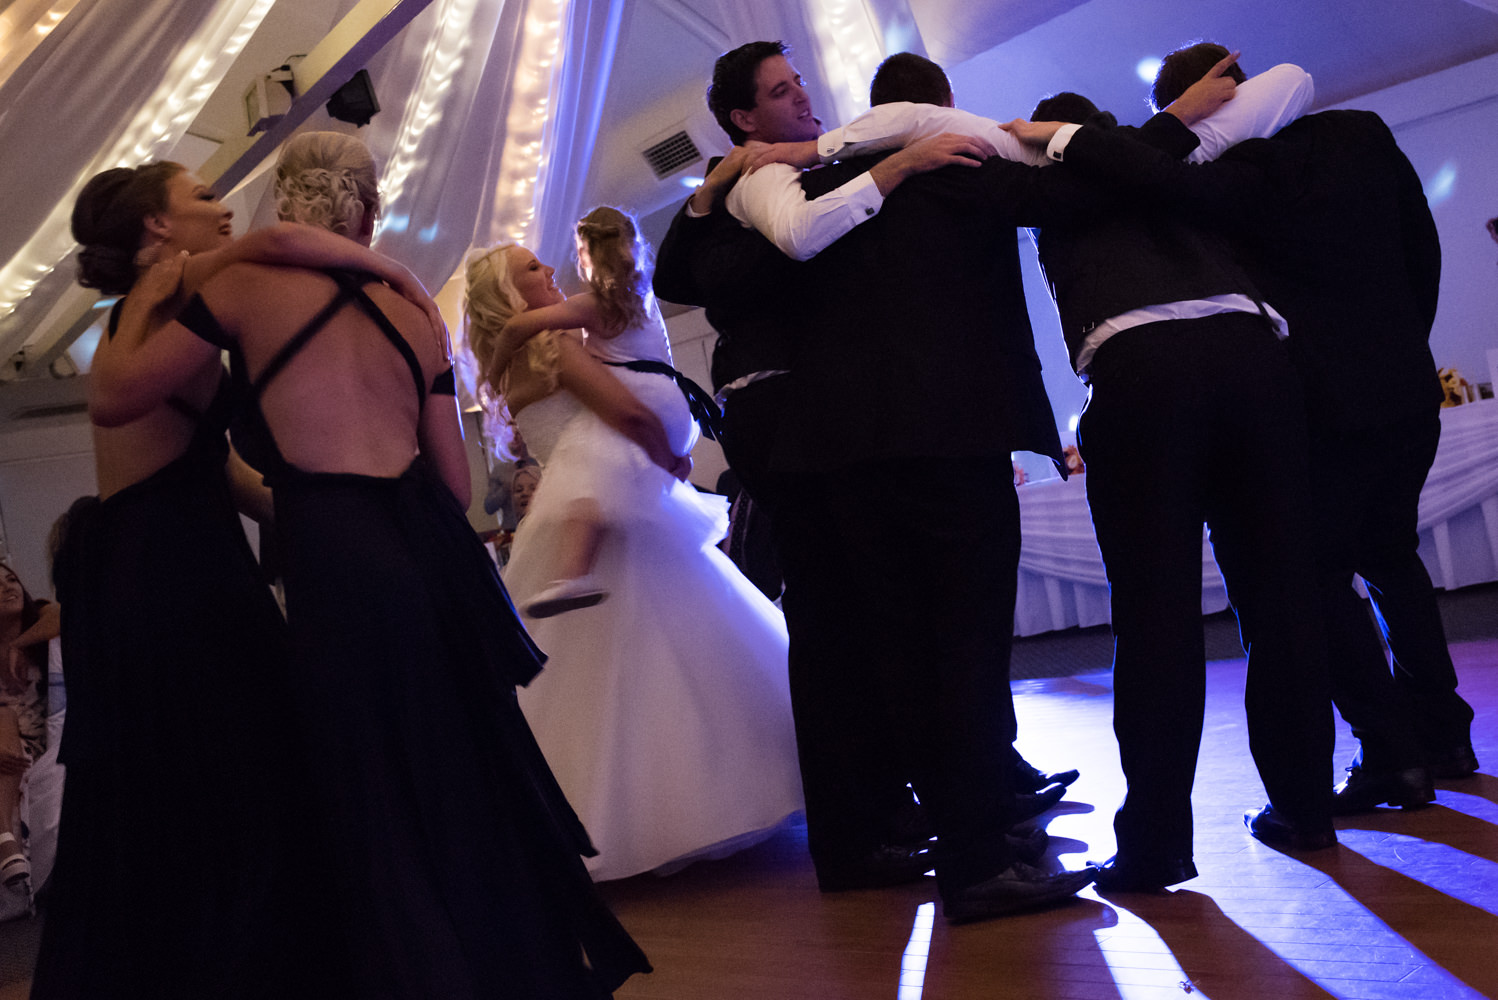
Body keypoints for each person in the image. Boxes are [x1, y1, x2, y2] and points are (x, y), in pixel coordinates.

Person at [86, 133, 649, 998]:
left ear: (286, 201)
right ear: (371, 207)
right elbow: (455, 478)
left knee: (367, 780)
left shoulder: (240, 280)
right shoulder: (414, 307)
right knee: (454, 763)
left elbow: (120, 395)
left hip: (333, 544)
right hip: (424, 544)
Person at [1019, 42, 1471, 807]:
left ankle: (1393, 750)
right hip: (1399, 385)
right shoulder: (1359, 133)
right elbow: (1419, 249)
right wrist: (1401, 347)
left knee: (1317, 579)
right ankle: (1446, 735)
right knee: (1394, 558)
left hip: (1308, 402)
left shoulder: (1219, 182)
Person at [33, 158, 426, 998]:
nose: (225, 210)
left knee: (209, 764)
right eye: (204, 197)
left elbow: (207, 467)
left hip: (169, 549)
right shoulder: (181, 285)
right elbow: (281, 240)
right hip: (170, 566)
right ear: (155, 228)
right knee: (235, 756)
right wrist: (389, 267)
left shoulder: (151, 305)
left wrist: (316, 515)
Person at [998, 60, 1337, 890]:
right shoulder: (1179, 163)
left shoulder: (1051, 193)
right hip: (1256, 356)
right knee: (1282, 600)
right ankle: (1305, 809)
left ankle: (1155, 847)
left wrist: (1045, 146)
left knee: (1155, 618)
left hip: (1142, 368)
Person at [465, 209, 804, 881]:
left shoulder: (517, 369)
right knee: (674, 656)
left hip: (576, 514)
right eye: (530, 267)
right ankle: (689, 803)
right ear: (510, 293)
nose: (547, 269)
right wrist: (666, 454)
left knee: (574, 677)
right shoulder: (560, 348)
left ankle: (583, 816)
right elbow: (625, 411)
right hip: (612, 509)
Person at [0, 564, 56, 891]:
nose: (9, 587)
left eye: (12, 579)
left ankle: (7, 841)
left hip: (46, 743)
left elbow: (63, 614)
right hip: (10, 751)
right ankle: (7, 839)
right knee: (3, 715)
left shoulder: (42, 619)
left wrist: (20, 644)